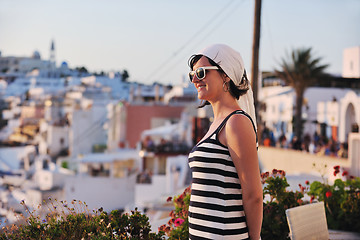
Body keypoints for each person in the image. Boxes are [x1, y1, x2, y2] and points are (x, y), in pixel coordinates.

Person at [187, 44, 263, 240]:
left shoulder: (236, 122)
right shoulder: (217, 124)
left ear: (226, 75)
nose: (195, 79)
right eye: (192, 75)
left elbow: (253, 194)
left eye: (201, 72)